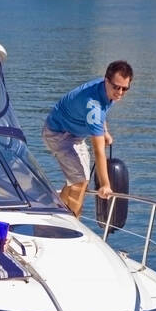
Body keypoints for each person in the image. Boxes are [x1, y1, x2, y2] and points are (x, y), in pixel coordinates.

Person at [42, 60, 133, 217]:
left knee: (80, 181)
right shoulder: (94, 107)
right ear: (106, 80)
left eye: (124, 89)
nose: (119, 92)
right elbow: (99, 151)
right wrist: (105, 185)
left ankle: (59, 217)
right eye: (116, 87)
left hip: (76, 134)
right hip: (58, 133)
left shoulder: (105, 90)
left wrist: (104, 132)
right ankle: (70, 222)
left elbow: (102, 111)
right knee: (79, 181)